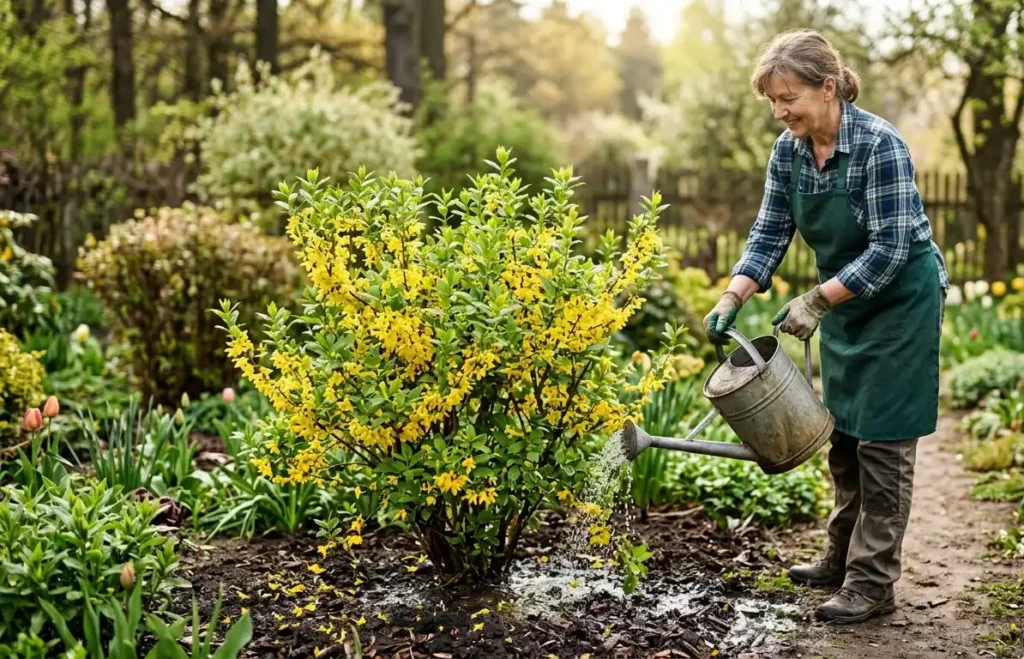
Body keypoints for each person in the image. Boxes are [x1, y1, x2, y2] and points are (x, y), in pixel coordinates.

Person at [703, 29, 948, 624]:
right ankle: (841, 559)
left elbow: (891, 249)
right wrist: (733, 294)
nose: (780, 112)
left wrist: (817, 299)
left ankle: (872, 583)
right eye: (773, 101)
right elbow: (769, 232)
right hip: (845, 304)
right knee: (844, 437)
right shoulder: (789, 152)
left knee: (883, 442)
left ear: (829, 88)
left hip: (901, 303)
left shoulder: (879, 145)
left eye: (788, 98)